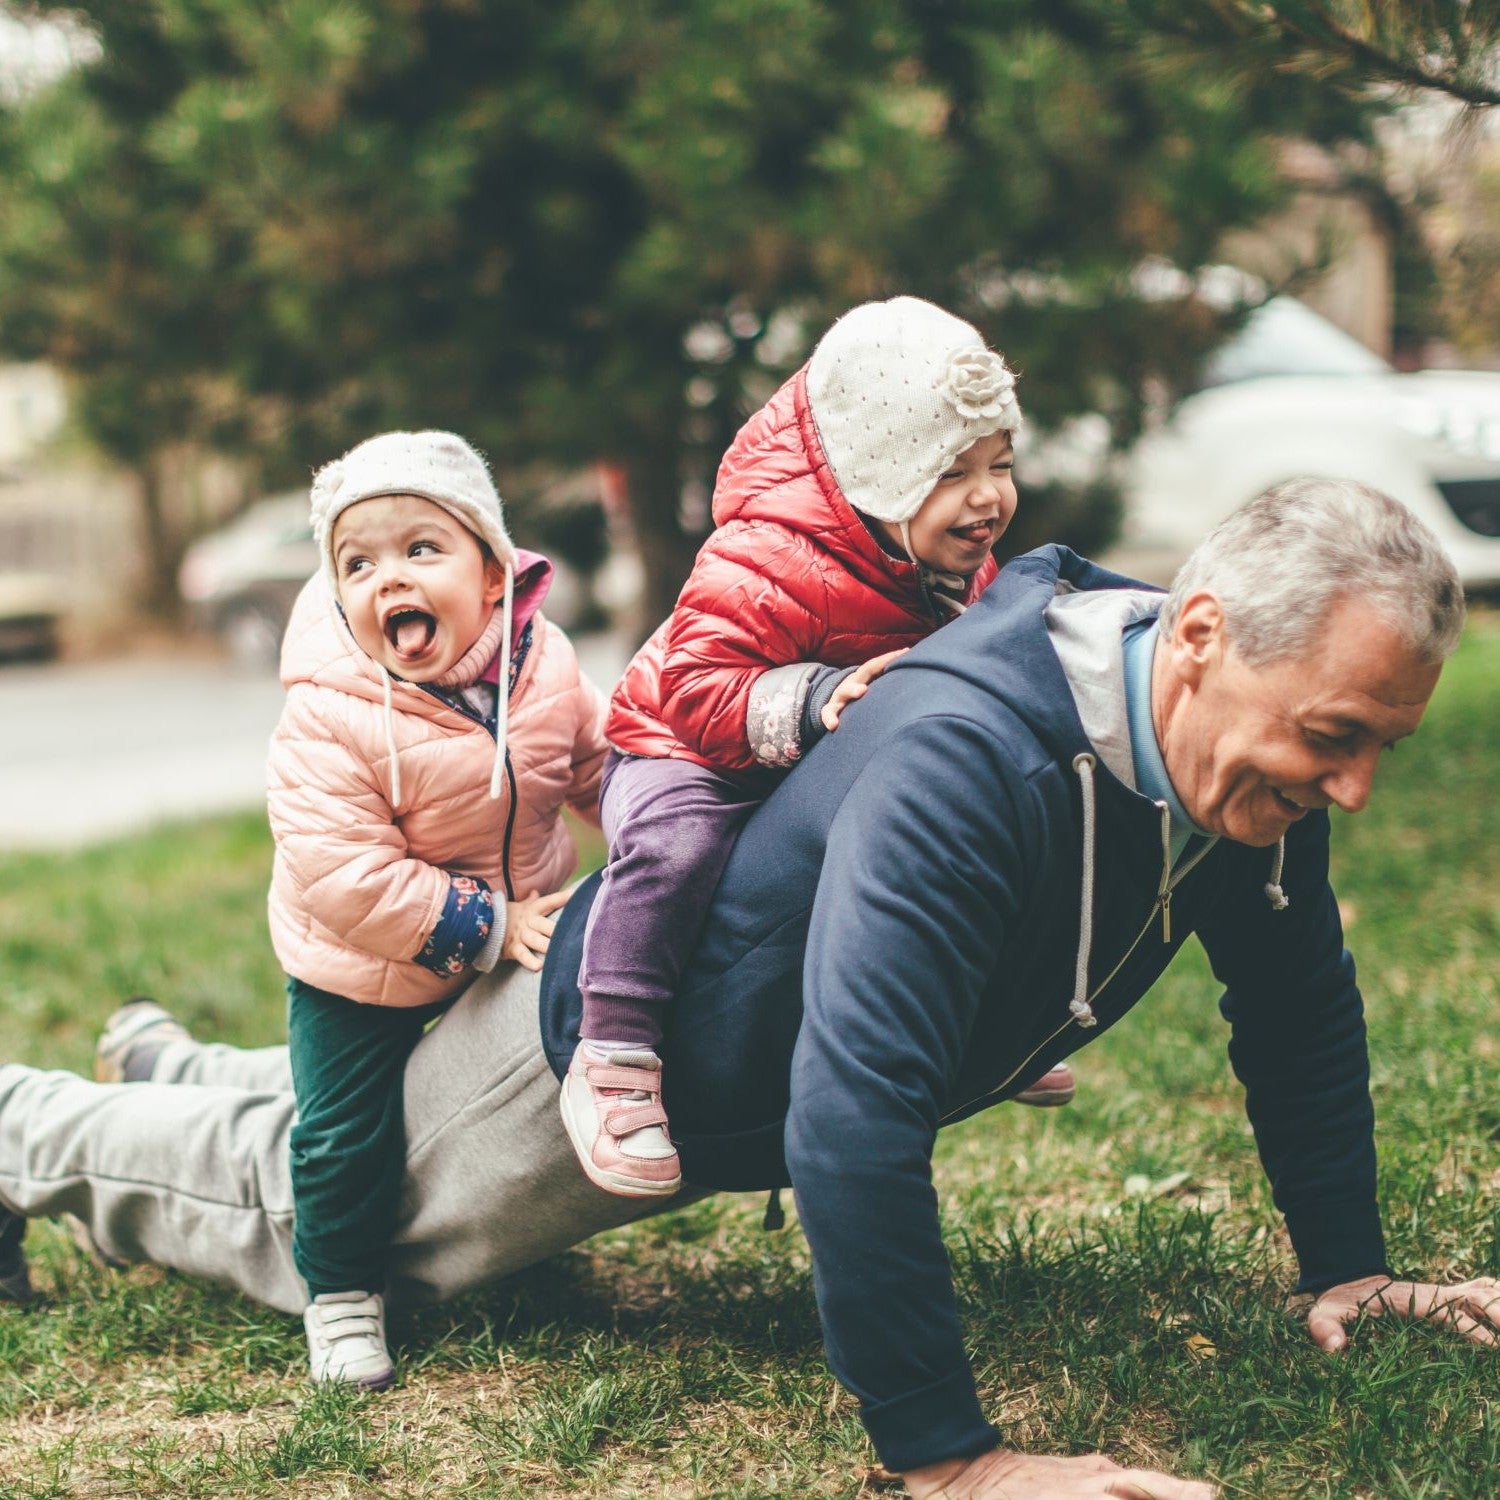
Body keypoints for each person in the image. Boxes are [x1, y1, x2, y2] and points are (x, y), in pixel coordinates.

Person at [0, 476, 1493, 1500]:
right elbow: (854, 1115)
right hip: (575, 1057)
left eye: (1380, 749)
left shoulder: (1223, 760)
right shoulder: (968, 761)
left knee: (337, 1116)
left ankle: (192, 1064)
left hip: (636, 1034)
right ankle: (27, 1123)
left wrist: (1349, 1266)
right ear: (1208, 637)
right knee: (288, 1210)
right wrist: (950, 1457)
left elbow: (1297, 1009)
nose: (1354, 788)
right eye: (1336, 736)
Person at [564, 294, 1072, 1198]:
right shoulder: (760, 555)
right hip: (687, 745)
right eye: (953, 472)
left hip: (817, 749)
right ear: (877, 473)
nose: (989, 495)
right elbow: (694, 687)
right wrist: (815, 698)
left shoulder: (947, 563)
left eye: (1000, 462)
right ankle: (613, 1050)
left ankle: (979, 1017)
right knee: (676, 849)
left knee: (947, 835)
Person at [193, 429, 605, 1389]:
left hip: (514, 919)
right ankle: (338, 1292)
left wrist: (651, 824)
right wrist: (490, 928)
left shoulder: (543, 666)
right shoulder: (329, 712)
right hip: (361, 962)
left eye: (422, 549)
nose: (389, 578)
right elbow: (344, 873)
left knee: (515, 1078)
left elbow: (592, 763)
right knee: (345, 1129)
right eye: (357, 562)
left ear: (496, 573)